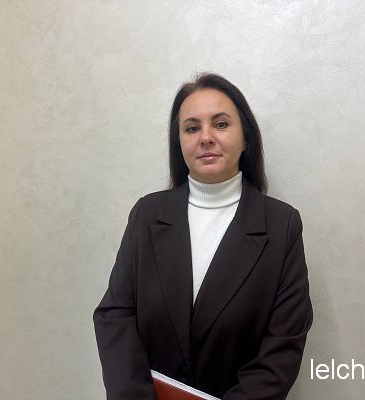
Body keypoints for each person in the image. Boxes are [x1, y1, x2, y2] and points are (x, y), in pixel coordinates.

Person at [93, 73, 313, 399]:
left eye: (221, 124)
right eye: (192, 128)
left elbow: (282, 349)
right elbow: (115, 316)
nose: (206, 137)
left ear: (246, 138)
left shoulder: (282, 225)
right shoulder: (146, 215)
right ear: (179, 142)